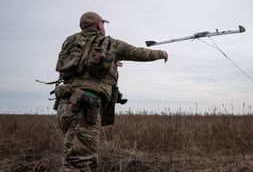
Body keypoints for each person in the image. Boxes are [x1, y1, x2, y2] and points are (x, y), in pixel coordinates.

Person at [54, 11, 168, 172]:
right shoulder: (109, 44)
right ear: (99, 25)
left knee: (88, 160)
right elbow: (138, 53)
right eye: (103, 25)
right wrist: (161, 53)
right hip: (84, 107)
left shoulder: (71, 42)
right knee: (77, 164)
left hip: (64, 105)